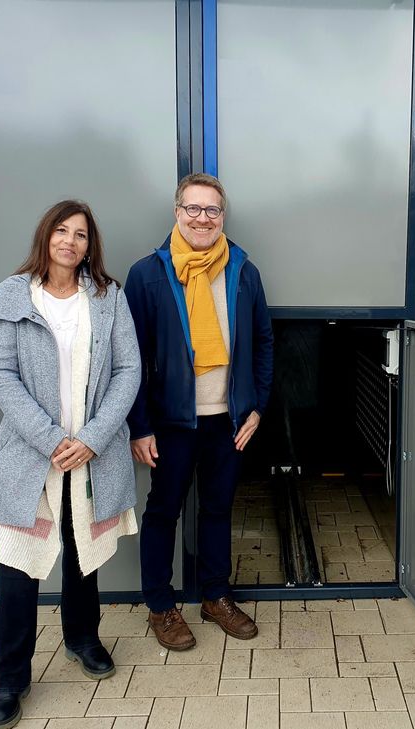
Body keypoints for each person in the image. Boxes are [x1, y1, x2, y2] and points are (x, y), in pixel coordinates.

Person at [0, 200, 141, 729]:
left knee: (83, 552)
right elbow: (0, 375)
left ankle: (82, 639)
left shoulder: (107, 297)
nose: (70, 241)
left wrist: (92, 438)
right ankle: (8, 680)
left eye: (81, 234)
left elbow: (128, 370)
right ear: (45, 236)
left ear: (90, 246)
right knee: (19, 571)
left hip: (92, 452)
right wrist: (52, 440)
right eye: (61, 231)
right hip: (33, 456)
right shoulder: (13, 295)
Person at [124, 173, 274, 650]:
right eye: (193, 209)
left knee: (217, 508)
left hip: (227, 418)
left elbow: (264, 342)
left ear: (222, 216)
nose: (202, 218)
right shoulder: (148, 273)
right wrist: (140, 425)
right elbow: (130, 357)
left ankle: (214, 596)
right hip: (171, 422)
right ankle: (161, 606)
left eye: (212, 210)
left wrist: (256, 407)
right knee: (163, 510)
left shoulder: (243, 270)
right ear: (177, 212)